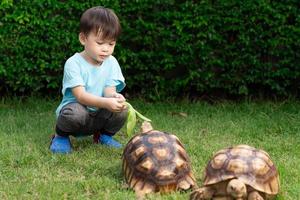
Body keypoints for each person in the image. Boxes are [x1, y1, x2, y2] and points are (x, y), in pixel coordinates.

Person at [50, 6, 127, 154]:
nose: (106, 49)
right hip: (78, 111)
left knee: (123, 110)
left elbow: (108, 90)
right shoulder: (74, 63)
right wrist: (106, 102)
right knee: (76, 113)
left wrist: (114, 97)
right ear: (83, 39)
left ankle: (103, 136)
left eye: (111, 44)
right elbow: (80, 96)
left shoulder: (112, 62)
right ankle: (60, 136)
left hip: (98, 114)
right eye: (100, 43)